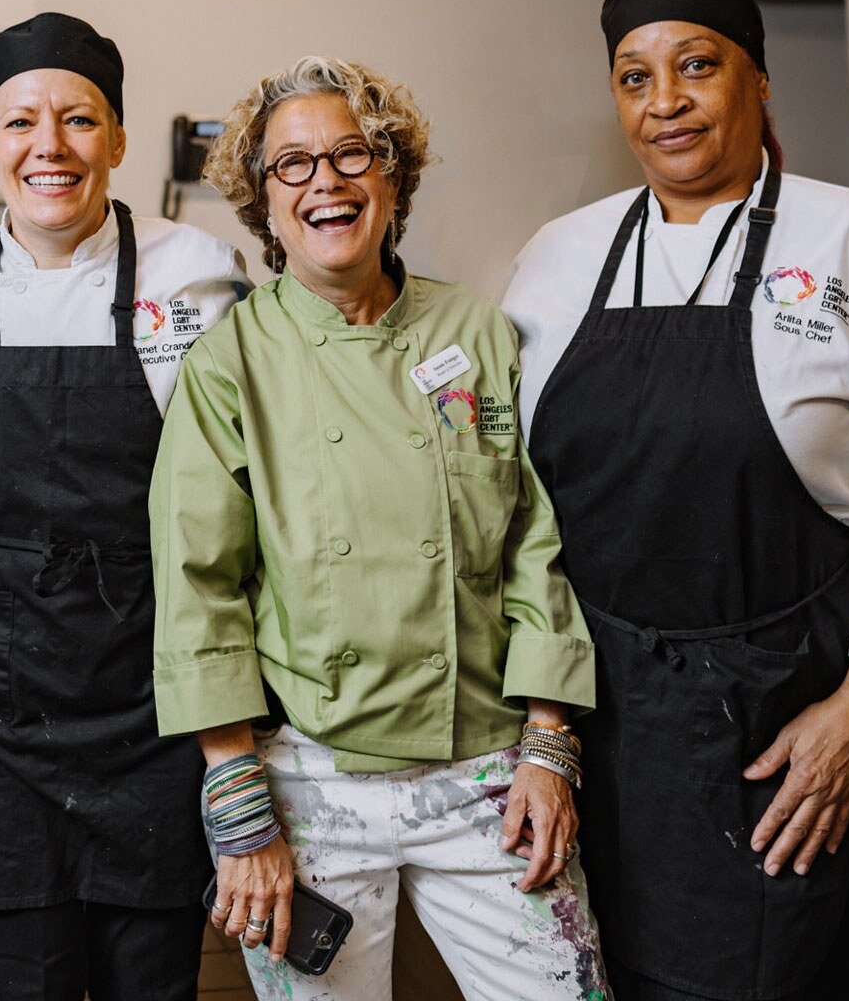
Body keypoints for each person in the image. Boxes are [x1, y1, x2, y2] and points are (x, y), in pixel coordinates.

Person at [501, 0, 849, 1001]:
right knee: (572, 976)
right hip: (585, 714)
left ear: (757, 77)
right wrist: (536, 724)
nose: (665, 100)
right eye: (634, 77)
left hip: (772, 723)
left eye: (696, 65)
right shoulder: (558, 256)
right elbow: (518, 500)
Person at [151, 56, 610, 1001]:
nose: (326, 180)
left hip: (489, 770)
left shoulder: (479, 334)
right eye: (293, 165)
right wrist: (235, 797)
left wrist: (551, 738)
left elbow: (535, 541)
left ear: (392, 180)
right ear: (262, 204)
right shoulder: (230, 361)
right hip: (311, 782)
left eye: (353, 154)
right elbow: (199, 584)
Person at [0, 13, 247, 1000]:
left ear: (120, 139)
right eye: (19, 123)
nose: (47, 147)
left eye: (78, 120)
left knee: (151, 972)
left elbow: (236, 485)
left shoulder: (198, 272)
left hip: (147, 697)